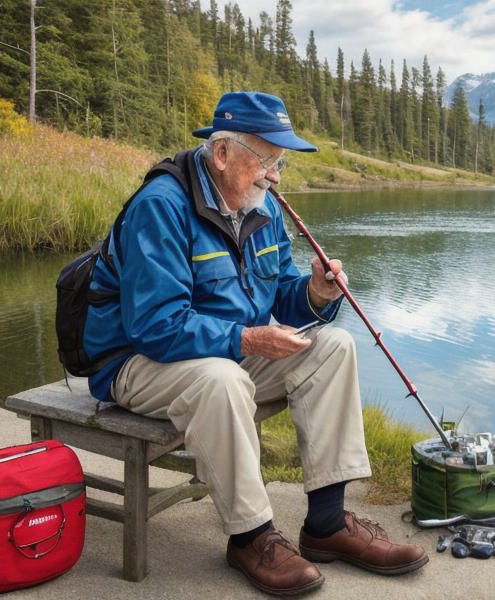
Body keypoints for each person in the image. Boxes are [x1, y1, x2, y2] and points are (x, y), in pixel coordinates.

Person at [82, 91, 427, 595]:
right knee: (221, 380)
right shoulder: (160, 207)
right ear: (222, 155)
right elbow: (154, 325)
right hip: (135, 362)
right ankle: (250, 537)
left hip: (217, 350)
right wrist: (244, 338)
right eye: (268, 160)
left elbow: (282, 296)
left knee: (331, 348)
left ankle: (326, 526)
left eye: (281, 163)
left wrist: (315, 291)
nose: (277, 175)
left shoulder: (258, 206)